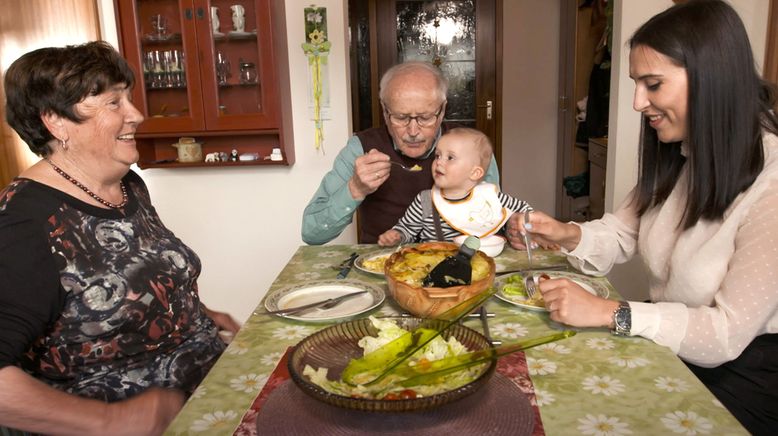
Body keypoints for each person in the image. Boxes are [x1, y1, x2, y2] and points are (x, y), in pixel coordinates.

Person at [506, 1, 778, 433]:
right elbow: (620, 233)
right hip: (668, 345)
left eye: (652, 84)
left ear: (713, 80)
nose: (637, 103)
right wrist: (563, 233)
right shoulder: (680, 154)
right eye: (637, 84)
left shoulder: (772, 182)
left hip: (738, 379)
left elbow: (725, 334)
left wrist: (609, 312)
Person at [0, 41, 240, 435]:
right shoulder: (25, 223)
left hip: (203, 392)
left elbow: (141, 274)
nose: (137, 115)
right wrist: (109, 421)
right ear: (56, 122)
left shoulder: (127, 185)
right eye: (114, 103)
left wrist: (197, 313)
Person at [301, 61, 500, 244]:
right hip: (382, 266)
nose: (413, 132)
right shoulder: (360, 148)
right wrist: (355, 189)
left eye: (425, 117)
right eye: (401, 117)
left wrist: (518, 228)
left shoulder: (472, 147)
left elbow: (495, 219)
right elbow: (312, 234)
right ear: (385, 111)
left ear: (443, 110)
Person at [378, 127, 531, 246]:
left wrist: (526, 226)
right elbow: (408, 229)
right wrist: (397, 235)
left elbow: (526, 212)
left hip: (485, 266)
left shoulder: (491, 197)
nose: (439, 162)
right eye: (437, 156)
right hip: (433, 265)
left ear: (475, 173)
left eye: (450, 157)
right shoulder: (425, 200)